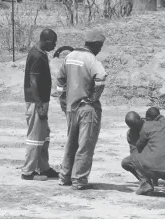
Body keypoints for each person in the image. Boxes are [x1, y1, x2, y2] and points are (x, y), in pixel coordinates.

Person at [56, 29, 107, 190]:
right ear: (97, 45)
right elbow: (101, 79)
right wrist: (94, 98)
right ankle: (79, 180)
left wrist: (63, 100)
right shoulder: (91, 60)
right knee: (85, 145)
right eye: (100, 46)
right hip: (87, 109)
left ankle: (65, 177)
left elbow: (60, 81)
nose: (100, 49)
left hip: (71, 108)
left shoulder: (69, 57)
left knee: (71, 143)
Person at [21, 29, 59, 181]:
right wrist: (39, 105)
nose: (55, 46)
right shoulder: (36, 56)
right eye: (54, 43)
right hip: (37, 102)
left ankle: (43, 167)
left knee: (44, 135)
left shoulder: (41, 53)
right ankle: (28, 171)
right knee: (35, 137)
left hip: (41, 101)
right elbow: (33, 82)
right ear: (47, 41)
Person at [122, 107, 165, 196]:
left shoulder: (148, 126)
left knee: (130, 161)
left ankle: (145, 184)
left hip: (151, 162)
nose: (134, 127)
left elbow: (137, 149)